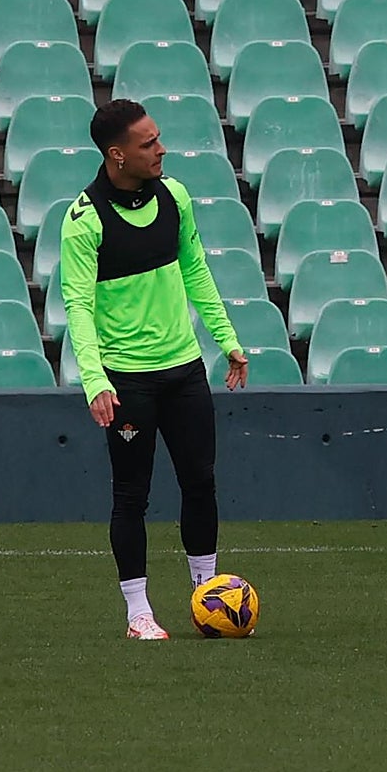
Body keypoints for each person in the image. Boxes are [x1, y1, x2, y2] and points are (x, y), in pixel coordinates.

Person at [61, 99, 249, 640]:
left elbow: (196, 269)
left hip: (185, 371)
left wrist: (227, 340)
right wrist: (95, 380)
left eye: (158, 138)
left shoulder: (176, 197)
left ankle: (207, 594)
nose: (161, 149)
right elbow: (77, 305)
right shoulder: (84, 221)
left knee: (201, 482)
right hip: (128, 380)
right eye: (148, 144)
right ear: (117, 155)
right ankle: (138, 613)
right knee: (131, 496)